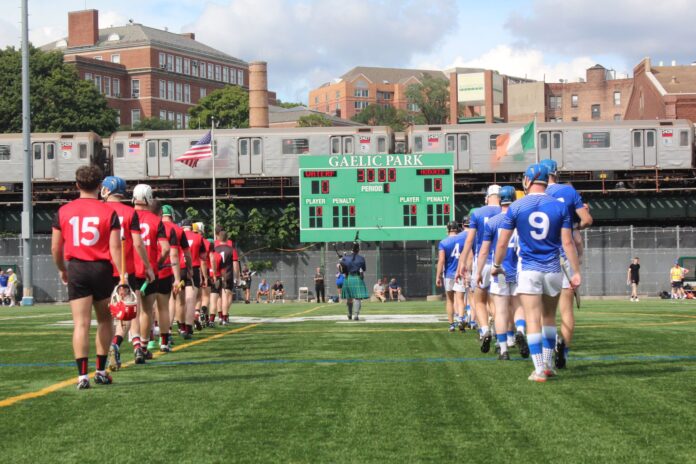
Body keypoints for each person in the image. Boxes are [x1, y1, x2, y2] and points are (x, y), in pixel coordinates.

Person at [491, 163, 581, 383]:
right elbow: (568, 242)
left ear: (528, 180)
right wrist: (576, 271)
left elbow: (502, 243)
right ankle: (549, 364)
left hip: (529, 269)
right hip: (553, 268)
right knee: (549, 317)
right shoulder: (559, 206)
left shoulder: (517, 206)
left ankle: (539, 369)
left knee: (532, 318)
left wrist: (496, 264)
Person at [51, 165, 122, 389]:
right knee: (104, 320)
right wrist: (123, 276)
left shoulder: (63, 211)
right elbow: (115, 248)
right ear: (100, 187)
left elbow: (55, 248)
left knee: (80, 324)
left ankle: (82, 376)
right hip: (101, 268)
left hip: (78, 268)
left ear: (77, 185)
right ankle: (100, 371)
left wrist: (63, 268)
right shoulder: (109, 212)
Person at [540, 159, 593, 369]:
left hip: (544, 257)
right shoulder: (569, 192)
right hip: (567, 255)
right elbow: (587, 220)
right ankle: (565, 347)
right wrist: (574, 227)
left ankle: (546, 354)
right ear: (556, 173)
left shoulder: (535, 196)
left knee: (546, 312)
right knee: (567, 309)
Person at [101, 176, 155, 370]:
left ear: (106, 190)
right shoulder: (130, 213)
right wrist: (148, 266)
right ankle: (134, 345)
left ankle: (106, 355)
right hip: (125, 267)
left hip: (102, 267)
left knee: (106, 316)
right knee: (130, 311)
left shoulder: (100, 209)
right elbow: (138, 243)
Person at [476, 186, 529, 360]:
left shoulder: (492, 222)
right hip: (519, 269)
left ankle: (504, 350)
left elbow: (484, 251)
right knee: (518, 305)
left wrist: (478, 271)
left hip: (500, 270)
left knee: (500, 309)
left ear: (499, 200)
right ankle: (520, 330)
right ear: (514, 198)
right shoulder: (521, 220)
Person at [456, 185, 502, 351]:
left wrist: (462, 264)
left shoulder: (477, 213)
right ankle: (500, 334)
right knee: (499, 303)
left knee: (479, 301)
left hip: (481, 263)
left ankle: (484, 330)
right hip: (502, 263)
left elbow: (469, 241)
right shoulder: (507, 212)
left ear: (487, 197)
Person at [132, 186, 172, 362]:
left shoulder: (127, 215)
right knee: (147, 310)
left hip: (130, 269)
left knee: (131, 310)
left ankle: (125, 344)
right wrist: (157, 264)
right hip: (150, 271)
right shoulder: (156, 221)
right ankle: (143, 345)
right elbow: (166, 249)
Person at [436, 221, 468, 332]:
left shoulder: (443, 242)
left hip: (449, 274)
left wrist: (438, 276)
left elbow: (441, 261)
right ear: (457, 229)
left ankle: (451, 324)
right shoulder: (463, 240)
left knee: (449, 300)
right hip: (460, 273)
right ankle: (460, 319)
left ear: (447, 229)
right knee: (460, 299)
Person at [181, 219, 209, 336]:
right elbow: (203, 257)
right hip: (194, 269)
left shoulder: (177, 234)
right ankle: (188, 328)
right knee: (190, 300)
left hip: (178, 268)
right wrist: (205, 277)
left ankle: (178, 327)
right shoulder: (199, 238)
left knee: (178, 301)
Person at [213, 227, 238, 324]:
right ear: (227, 238)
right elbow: (235, 263)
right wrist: (237, 277)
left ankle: (220, 316)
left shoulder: (214, 248)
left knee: (219, 296)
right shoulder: (231, 248)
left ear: (218, 237)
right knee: (228, 296)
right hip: (228, 274)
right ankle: (225, 316)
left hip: (217, 274)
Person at [340, 241, 368, 320]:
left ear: (351, 250)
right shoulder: (361, 258)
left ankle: (349, 314)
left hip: (348, 278)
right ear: (358, 249)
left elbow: (341, 269)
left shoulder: (345, 258)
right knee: (357, 297)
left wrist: (341, 260)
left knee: (349, 298)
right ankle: (356, 315)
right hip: (357, 278)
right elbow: (364, 269)